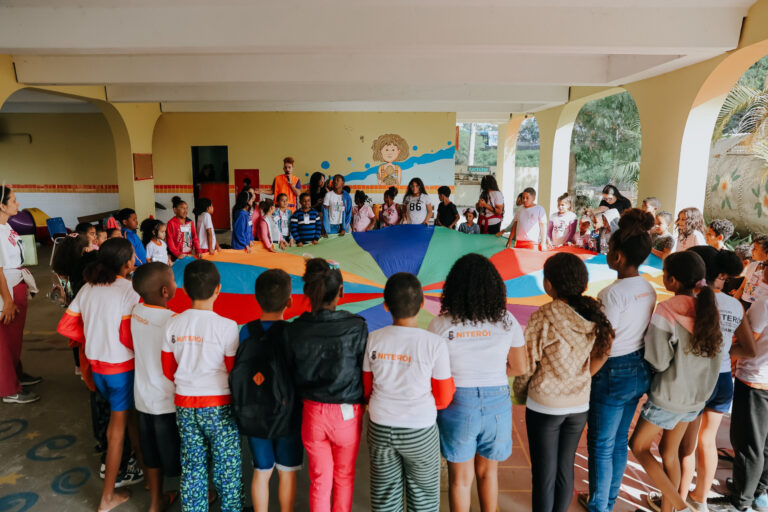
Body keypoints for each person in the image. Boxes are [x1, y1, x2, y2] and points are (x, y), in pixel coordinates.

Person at [513, 253, 614, 512]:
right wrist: (583, 376)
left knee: (544, 474)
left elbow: (527, 362)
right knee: (564, 468)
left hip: (545, 404)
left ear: (549, 284)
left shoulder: (544, 316)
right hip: (578, 403)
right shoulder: (594, 315)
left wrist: (521, 393)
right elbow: (604, 351)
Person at [427, 254, 526, 512]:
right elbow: (520, 366)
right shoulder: (507, 321)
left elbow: (433, 373)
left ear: (453, 288)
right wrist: (493, 372)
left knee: (460, 480)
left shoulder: (440, 324)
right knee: (488, 473)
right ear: (495, 287)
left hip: (457, 403)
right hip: (497, 403)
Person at [629, 251, 723, 512]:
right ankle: (668, 510)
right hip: (696, 398)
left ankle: (679, 507)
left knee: (638, 446)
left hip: (669, 396)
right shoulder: (709, 308)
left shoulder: (668, 309)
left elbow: (658, 361)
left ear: (672, 280)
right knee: (668, 453)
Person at [56, 238, 141, 511]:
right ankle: (107, 497)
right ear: (126, 263)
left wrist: (94, 339)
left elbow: (66, 325)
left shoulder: (88, 288)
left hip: (97, 368)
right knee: (117, 430)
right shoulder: (129, 290)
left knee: (128, 418)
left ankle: (144, 468)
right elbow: (130, 336)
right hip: (121, 369)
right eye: (133, 255)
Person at [581, 209, 656, 512]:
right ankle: (607, 500)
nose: (607, 252)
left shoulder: (611, 294)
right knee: (617, 440)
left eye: (609, 247)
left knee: (601, 443)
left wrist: (584, 375)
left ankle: (599, 505)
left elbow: (604, 346)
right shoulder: (648, 288)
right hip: (638, 368)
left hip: (612, 372)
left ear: (619, 256)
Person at [672, 246, 756, 512]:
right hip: (722, 381)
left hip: (697, 380)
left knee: (686, 445)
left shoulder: (692, 301)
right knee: (707, 441)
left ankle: (676, 501)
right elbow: (749, 349)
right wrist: (724, 353)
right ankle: (700, 500)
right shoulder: (734, 305)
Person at [364, 272, 455, 512]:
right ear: (423, 303)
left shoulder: (373, 339)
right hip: (420, 431)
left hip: (380, 427)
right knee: (423, 499)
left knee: (385, 499)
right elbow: (444, 396)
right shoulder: (434, 344)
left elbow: (366, 388)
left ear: (385, 305)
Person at [284, 258, 368, 512]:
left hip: (312, 415)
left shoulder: (295, 329)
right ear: (341, 291)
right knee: (344, 476)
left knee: (319, 480)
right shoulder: (357, 326)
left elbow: (291, 372)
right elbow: (363, 370)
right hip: (347, 415)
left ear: (307, 291)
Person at [161, 259, 243, 512]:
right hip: (219, 406)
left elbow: (168, 369)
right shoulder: (227, 326)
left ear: (184, 289)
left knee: (192, 464)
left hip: (185, 405)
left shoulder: (172, 323)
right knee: (227, 464)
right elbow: (233, 370)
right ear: (218, 289)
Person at [240, 269, 303, 512]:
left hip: (255, 411)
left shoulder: (246, 331)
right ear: (290, 301)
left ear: (256, 299)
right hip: (288, 413)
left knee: (261, 471)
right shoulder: (293, 332)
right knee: (287, 472)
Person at [130, 262, 180, 512]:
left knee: (151, 454)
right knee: (183, 454)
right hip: (167, 403)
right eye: (173, 280)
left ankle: (155, 502)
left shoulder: (136, 311)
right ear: (164, 291)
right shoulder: (173, 321)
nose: (176, 284)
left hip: (143, 399)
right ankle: (198, 492)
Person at [729, 268, 768, 511]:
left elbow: (747, 342)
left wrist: (729, 360)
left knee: (747, 442)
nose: (762, 270)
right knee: (764, 442)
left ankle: (740, 500)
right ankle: (758, 490)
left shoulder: (764, 303)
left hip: (754, 378)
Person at [0, 186, 40, 404]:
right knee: (4, 342)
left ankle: (16, 374)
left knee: (14, 340)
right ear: (1, 206)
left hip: (15, 283)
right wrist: (7, 301)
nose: (18, 203)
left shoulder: (6, 226)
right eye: (13, 200)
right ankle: (8, 389)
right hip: (6, 289)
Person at [735, 235, 768, 309]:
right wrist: (733, 303)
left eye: (755, 248)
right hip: (743, 303)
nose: (752, 250)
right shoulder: (752, 265)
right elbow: (742, 288)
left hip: (759, 308)